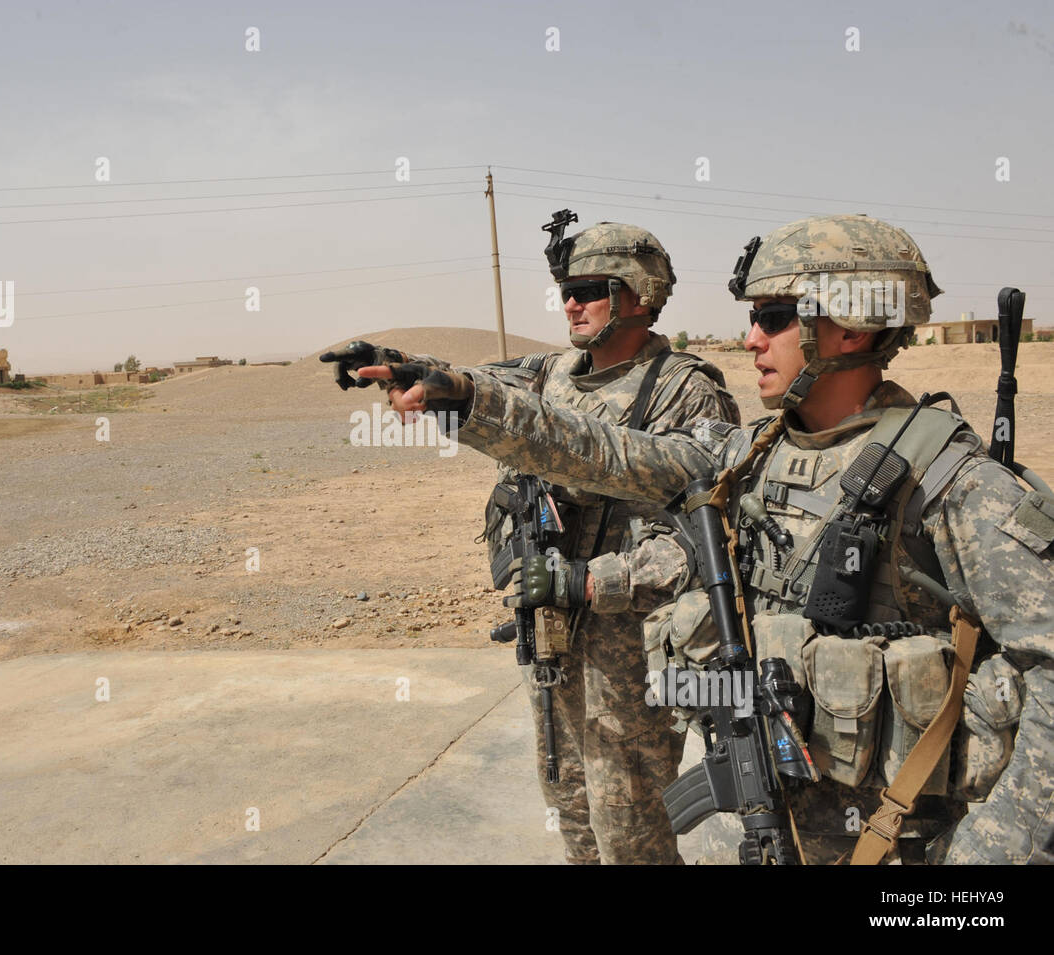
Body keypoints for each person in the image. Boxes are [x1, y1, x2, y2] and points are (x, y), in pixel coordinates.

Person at [360, 213, 1054, 864]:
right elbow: (601, 450)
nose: (752, 338)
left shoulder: (953, 483)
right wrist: (464, 399)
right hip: (775, 828)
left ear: (852, 327)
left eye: (774, 317)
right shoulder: (746, 458)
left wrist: (986, 858)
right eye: (754, 317)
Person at [322, 213, 738, 864]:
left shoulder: (687, 391)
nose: (570, 301)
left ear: (638, 293)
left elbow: (694, 537)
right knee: (572, 821)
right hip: (551, 644)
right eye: (565, 288)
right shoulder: (553, 373)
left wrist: (597, 580)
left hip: (629, 662)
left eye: (590, 287)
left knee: (632, 840)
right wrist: (415, 372)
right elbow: (493, 391)